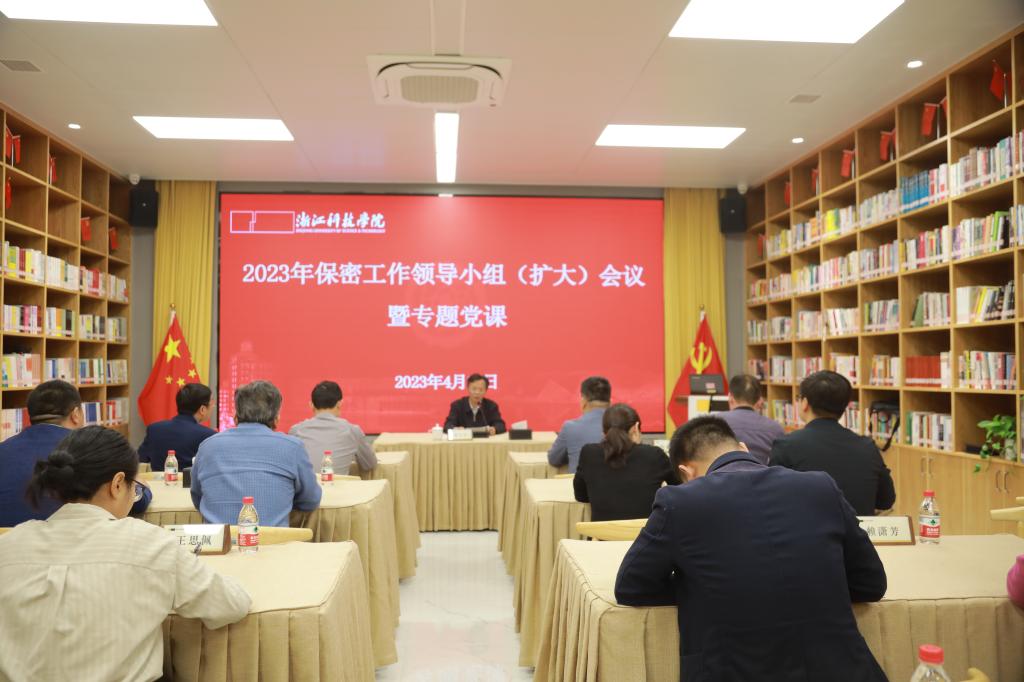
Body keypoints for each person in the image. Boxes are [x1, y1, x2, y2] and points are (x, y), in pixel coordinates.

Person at [615, 416, 887, 681]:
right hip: (842, 669)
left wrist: (699, 588)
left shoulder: (679, 502)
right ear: (743, 448)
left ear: (687, 473)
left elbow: (631, 586)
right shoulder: (821, 486)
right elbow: (871, 583)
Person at [0, 426, 250, 681]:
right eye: (135, 487)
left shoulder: (8, 545)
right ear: (118, 484)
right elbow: (231, 604)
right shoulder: (149, 543)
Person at [0, 379, 149, 526]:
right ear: (76, 414)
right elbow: (136, 503)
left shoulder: (4, 448)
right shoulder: (94, 448)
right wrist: (139, 486)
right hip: (76, 538)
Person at [192, 380, 321, 527]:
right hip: (275, 540)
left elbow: (197, 497)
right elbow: (310, 500)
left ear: (236, 416)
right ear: (276, 418)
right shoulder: (293, 447)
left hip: (219, 541)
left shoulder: (207, 446)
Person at [770, 370, 895, 515]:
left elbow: (772, 497)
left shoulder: (786, 445)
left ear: (804, 403)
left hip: (805, 529)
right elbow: (886, 500)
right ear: (844, 407)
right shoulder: (867, 447)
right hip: (856, 529)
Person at [573, 403, 678, 522]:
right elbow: (679, 489)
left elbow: (581, 496)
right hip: (647, 533)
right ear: (635, 428)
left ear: (604, 432)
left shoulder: (589, 453)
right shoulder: (654, 455)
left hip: (602, 533)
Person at [289, 380, 377, 474]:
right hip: (336, 483)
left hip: (305, 483)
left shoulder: (296, 431)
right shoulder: (352, 431)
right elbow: (369, 465)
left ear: (311, 405)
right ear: (339, 403)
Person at [138, 382, 217, 471]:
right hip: (190, 480)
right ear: (202, 409)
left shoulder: (154, 429)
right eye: (212, 404)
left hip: (157, 480)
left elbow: (141, 459)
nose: (213, 407)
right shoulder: (209, 436)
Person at [716, 374, 784, 464]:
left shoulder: (715, 422)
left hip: (722, 472)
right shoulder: (775, 428)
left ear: (730, 398)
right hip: (762, 472)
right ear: (760, 401)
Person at [548, 376, 611, 473]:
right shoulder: (622, 426)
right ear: (610, 403)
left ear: (583, 401)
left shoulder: (570, 427)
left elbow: (554, 459)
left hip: (579, 482)